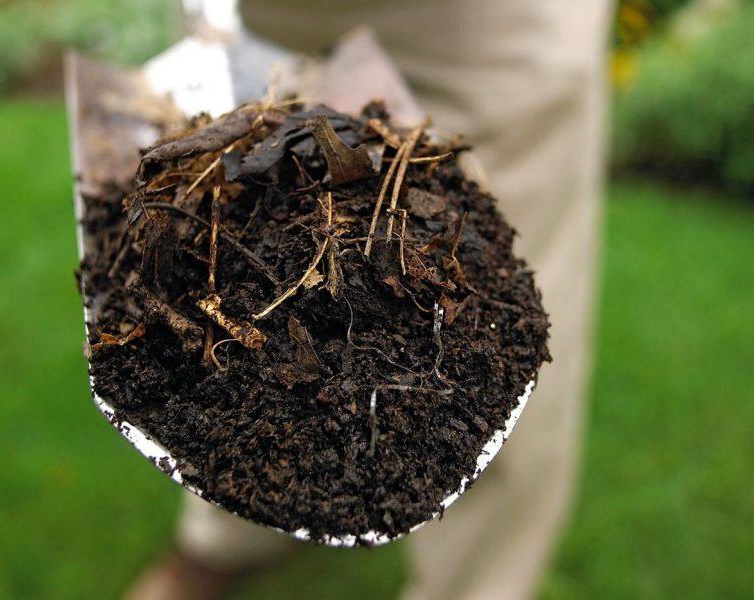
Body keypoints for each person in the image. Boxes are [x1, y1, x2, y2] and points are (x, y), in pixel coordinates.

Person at [127, 1, 612, 598]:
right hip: (260, 15)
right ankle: (235, 524)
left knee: (488, 326)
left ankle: (475, 583)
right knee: (235, 249)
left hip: (477, 30)